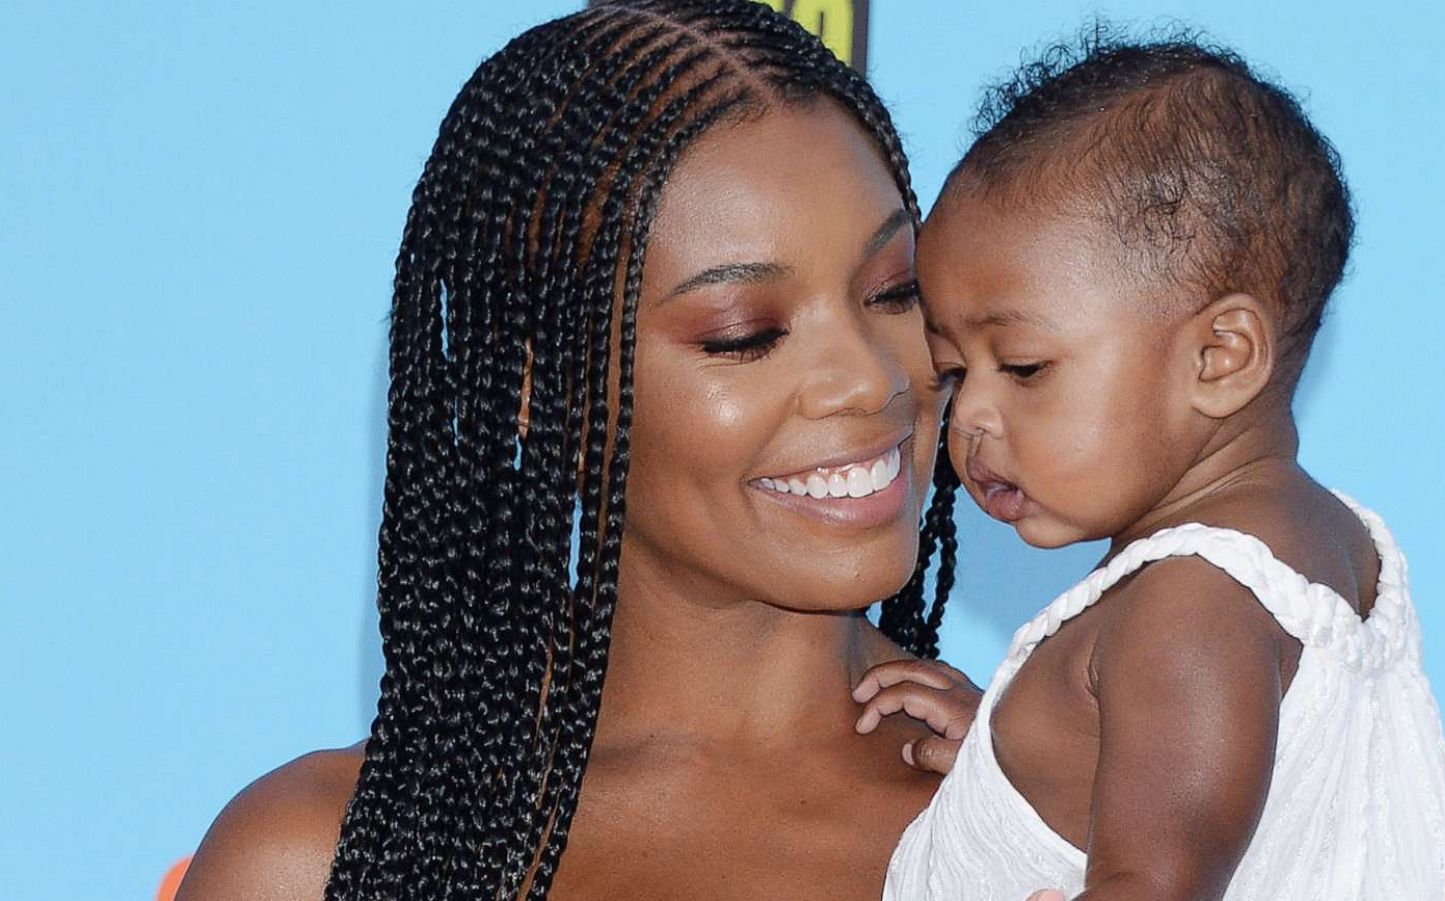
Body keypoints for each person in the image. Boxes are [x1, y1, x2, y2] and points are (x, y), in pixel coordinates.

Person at [173, 3, 967, 900]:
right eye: (744, 335)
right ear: (538, 391)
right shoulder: (325, 860)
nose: (869, 379)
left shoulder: (1068, 809)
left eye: (894, 289)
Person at [871, 33, 1445, 901]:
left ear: (1221, 357)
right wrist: (1019, 769)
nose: (969, 418)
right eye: (954, 373)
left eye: (1025, 367)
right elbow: (1259, 821)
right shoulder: (1335, 547)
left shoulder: (1187, 603)